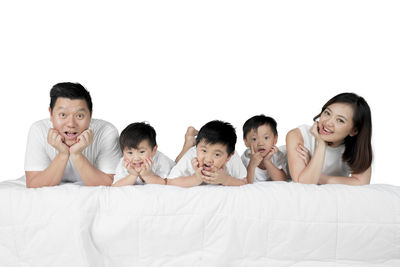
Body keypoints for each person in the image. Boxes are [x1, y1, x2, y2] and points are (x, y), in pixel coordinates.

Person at [24, 82, 121, 188]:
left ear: (90, 115)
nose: (71, 124)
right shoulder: (38, 130)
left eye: (79, 115)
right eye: (63, 115)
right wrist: (63, 154)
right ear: (51, 114)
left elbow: (111, 182)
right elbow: (33, 183)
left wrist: (77, 154)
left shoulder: (106, 132)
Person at [286, 92, 372, 185]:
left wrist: (317, 175)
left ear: (354, 131)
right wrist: (321, 144)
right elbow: (303, 183)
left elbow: (361, 182)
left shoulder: (357, 148)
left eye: (340, 120)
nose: (328, 123)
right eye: (327, 113)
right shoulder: (297, 135)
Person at [166, 120, 247, 187]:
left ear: (228, 157)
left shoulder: (232, 158)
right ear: (197, 148)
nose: (208, 160)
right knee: (177, 161)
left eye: (217, 155)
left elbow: (245, 182)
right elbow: (170, 182)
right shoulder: (191, 155)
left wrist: (226, 179)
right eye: (204, 151)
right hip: (189, 151)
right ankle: (189, 141)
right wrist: (196, 179)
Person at [112, 122, 175, 186]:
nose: (136, 158)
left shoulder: (161, 161)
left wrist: (147, 175)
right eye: (130, 153)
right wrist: (133, 175)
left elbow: (167, 184)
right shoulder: (124, 164)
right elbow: (115, 186)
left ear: (154, 150)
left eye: (142, 152)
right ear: (123, 153)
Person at [241, 115, 287, 183]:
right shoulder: (247, 157)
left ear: (275, 139)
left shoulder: (277, 155)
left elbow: (282, 180)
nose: (261, 143)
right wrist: (252, 164)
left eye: (266, 138)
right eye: (254, 139)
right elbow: (247, 182)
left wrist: (267, 161)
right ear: (246, 142)